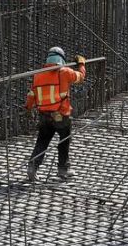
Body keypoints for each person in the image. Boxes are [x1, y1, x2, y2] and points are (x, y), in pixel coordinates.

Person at [26, 47, 86, 181]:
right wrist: (81, 64)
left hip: (44, 115)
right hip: (61, 114)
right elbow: (80, 77)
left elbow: (31, 95)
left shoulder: (38, 75)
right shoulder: (64, 72)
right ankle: (63, 170)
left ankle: (32, 167)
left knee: (42, 141)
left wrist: (28, 108)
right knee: (64, 141)